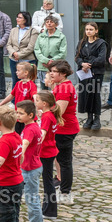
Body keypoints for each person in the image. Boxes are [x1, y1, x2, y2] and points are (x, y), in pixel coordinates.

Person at [48, 60, 79, 202]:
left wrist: (43, 109)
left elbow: (59, 110)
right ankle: (60, 182)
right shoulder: (61, 85)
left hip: (65, 129)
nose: (51, 73)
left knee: (65, 161)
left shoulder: (65, 88)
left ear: (63, 73)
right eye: (51, 71)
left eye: (54, 71)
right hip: (61, 128)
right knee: (58, 158)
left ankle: (66, 193)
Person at [16, 101, 45, 222]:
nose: (18, 115)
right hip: (33, 166)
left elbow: (25, 144)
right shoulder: (33, 126)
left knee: (32, 199)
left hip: (29, 169)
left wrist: (17, 157)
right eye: (17, 112)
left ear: (31, 115)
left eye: (21, 113)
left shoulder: (29, 130)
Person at [74, 22, 107, 130]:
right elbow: (77, 57)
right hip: (84, 73)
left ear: (96, 31)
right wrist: (82, 64)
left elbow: (101, 58)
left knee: (94, 95)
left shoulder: (101, 43)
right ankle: (89, 118)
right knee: (86, 95)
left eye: (91, 29)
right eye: (87, 29)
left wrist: (89, 65)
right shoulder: (82, 43)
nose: (88, 31)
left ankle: (97, 118)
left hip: (96, 72)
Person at [34, 91, 61, 220]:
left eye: (37, 100)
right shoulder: (48, 115)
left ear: (44, 104)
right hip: (49, 151)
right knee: (47, 180)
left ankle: (49, 210)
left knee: (48, 181)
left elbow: (43, 134)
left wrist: (35, 144)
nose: (35, 102)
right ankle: (48, 208)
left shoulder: (47, 116)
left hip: (46, 152)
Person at [0, 62, 38, 131]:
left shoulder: (31, 85)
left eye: (18, 70)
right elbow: (11, 96)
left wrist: (38, 108)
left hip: (27, 116)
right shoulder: (18, 84)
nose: (16, 72)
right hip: (18, 116)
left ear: (26, 72)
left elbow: (35, 96)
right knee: (18, 135)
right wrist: (0, 104)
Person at [6, 11, 39, 81]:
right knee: (15, 82)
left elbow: (31, 47)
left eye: (20, 18)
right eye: (17, 17)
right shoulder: (13, 30)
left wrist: (19, 55)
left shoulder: (33, 31)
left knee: (28, 82)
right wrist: (14, 53)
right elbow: (9, 44)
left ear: (26, 19)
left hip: (27, 60)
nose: (17, 19)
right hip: (14, 60)